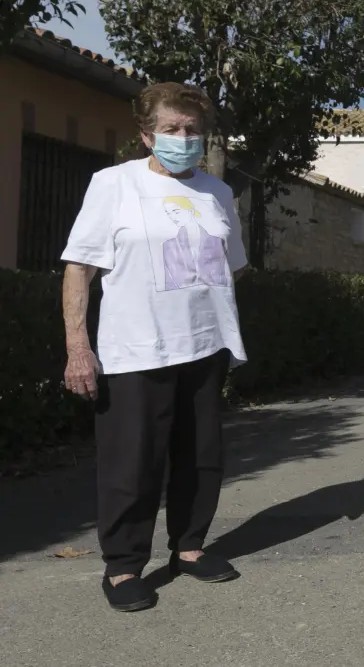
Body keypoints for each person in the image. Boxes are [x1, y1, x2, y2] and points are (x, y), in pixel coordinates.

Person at [62, 82, 248, 612]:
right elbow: (79, 268)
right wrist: (78, 347)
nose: (183, 138)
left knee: (201, 456)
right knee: (132, 462)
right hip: (135, 349)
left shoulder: (219, 192)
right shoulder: (113, 184)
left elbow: (234, 267)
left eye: (192, 129)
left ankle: (189, 548)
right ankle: (123, 567)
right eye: (171, 128)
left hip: (205, 346)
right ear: (147, 134)